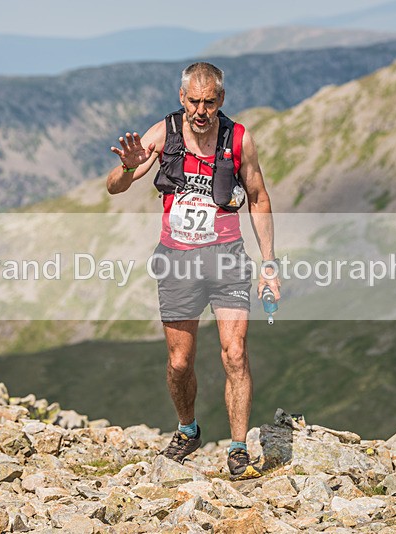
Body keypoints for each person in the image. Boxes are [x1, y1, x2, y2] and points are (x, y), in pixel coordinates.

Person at [106, 62, 280, 480]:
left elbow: (258, 198)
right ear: (181, 98)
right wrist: (130, 167)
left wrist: (269, 264)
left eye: (209, 102)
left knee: (234, 353)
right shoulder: (163, 133)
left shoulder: (239, 139)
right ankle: (188, 430)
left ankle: (238, 448)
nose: (201, 110)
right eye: (194, 101)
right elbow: (114, 185)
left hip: (227, 259)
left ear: (221, 99)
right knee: (180, 363)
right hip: (178, 261)